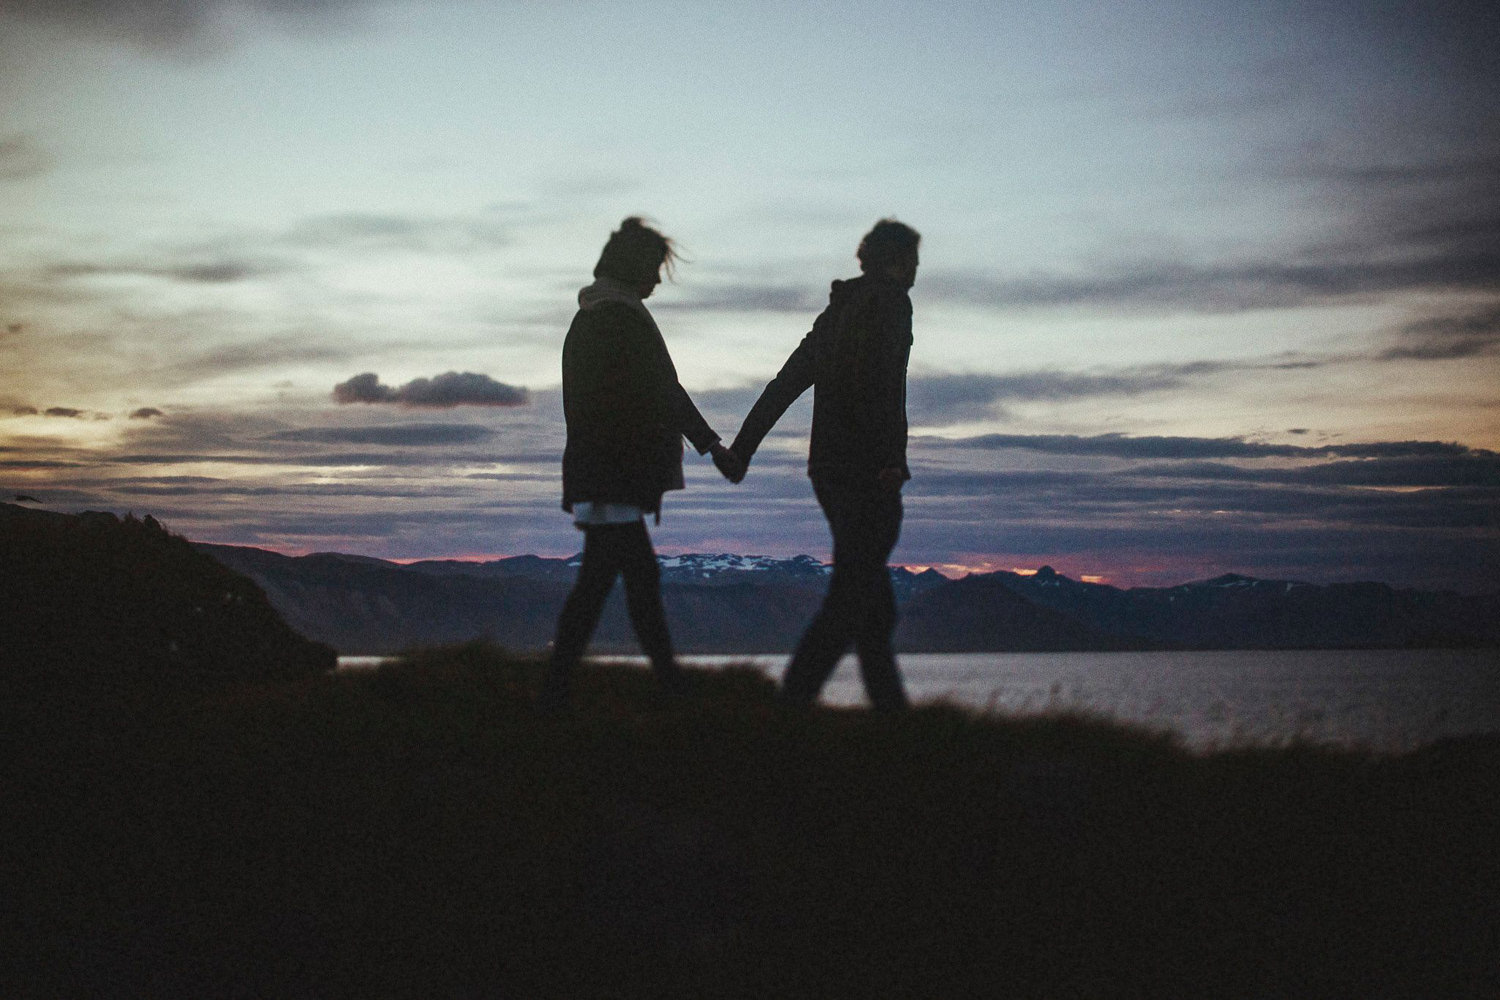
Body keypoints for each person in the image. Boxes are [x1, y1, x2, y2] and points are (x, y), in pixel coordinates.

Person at [538, 217, 743, 712]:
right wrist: (711, 446)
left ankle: (563, 688)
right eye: (653, 269)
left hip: (601, 471)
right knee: (633, 583)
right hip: (615, 473)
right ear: (633, 268)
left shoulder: (598, 315)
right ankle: (664, 688)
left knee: (606, 583)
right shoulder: (618, 319)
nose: (656, 280)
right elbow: (661, 391)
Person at [729, 219, 920, 712]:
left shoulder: (835, 312)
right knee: (853, 599)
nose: (917, 270)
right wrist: (889, 460)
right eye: (914, 259)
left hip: (828, 471)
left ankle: (891, 718)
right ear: (897, 261)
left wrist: (744, 449)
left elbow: (786, 382)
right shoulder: (892, 303)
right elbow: (884, 385)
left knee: (869, 602)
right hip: (867, 471)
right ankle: (792, 705)